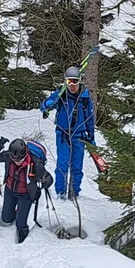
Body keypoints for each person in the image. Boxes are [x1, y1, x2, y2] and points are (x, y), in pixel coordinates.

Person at [38, 66, 100, 202]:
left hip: (79, 136)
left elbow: (90, 119)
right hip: (63, 135)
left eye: (75, 82)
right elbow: (43, 106)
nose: (72, 85)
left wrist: (91, 137)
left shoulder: (85, 98)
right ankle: (60, 193)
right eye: (69, 82)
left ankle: (74, 193)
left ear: (79, 81)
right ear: (65, 82)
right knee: (63, 164)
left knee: (77, 166)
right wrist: (48, 104)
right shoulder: (61, 94)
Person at [0, 135, 53, 244]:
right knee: (6, 219)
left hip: (25, 195)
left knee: (21, 224)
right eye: (14, 159)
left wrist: (45, 181)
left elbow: (48, 177)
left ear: (25, 154)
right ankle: (14, 211)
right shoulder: (9, 157)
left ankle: (23, 242)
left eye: (19, 159)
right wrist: (0, 144)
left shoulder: (35, 162)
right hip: (10, 190)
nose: (16, 161)